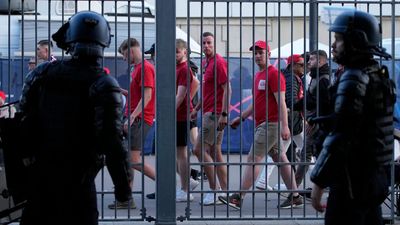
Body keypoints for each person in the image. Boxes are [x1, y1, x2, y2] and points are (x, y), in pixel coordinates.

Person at [18, 11, 132, 225]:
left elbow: (22, 122)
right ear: (104, 41)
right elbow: (112, 142)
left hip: (41, 180)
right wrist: (123, 190)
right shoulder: (105, 84)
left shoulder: (40, 74)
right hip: (79, 185)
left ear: (70, 40)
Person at [311, 10, 395, 225]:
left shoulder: (354, 77)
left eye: (338, 39)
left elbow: (342, 134)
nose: (333, 46)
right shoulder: (377, 73)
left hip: (351, 180)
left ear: (355, 40)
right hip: (372, 178)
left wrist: (319, 182)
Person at [219, 40, 303, 210]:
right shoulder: (259, 75)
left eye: (261, 52)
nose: (257, 56)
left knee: (253, 159)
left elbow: (281, 102)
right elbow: (257, 102)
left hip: (270, 125)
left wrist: (285, 126)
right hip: (264, 124)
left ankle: (238, 197)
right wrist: (241, 117)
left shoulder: (274, 75)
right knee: (281, 159)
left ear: (269, 54)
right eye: (255, 53)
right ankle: (295, 196)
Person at [108, 37, 156, 209]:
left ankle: (165, 185)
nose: (124, 59)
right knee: (129, 159)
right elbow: (138, 94)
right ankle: (126, 198)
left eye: (124, 55)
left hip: (140, 119)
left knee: (133, 160)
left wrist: (133, 116)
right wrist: (121, 91)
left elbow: (148, 96)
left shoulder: (145, 68)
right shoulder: (138, 69)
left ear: (131, 50)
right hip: (136, 117)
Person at [191, 31, 231, 205]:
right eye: (204, 43)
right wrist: (196, 108)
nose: (206, 46)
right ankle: (226, 192)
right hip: (208, 111)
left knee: (199, 150)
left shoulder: (219, 63)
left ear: (214, 44)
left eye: (209, 43)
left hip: (214, 115)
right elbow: (207, 91)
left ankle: (215, 191)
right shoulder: (206, 62)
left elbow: (227, 89)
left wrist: (224, 114)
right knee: (215, 152)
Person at [256, 54, 305, 190]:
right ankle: (264, 181)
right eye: (301, 64)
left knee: (284, 153)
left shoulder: (291, 77)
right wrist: (304, 105)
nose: (303, 67)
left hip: (292, 121)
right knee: (282, 153)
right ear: (292, 65)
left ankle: (264, 181)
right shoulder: (291, 79)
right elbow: (289, 101)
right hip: (291, 122)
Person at [293, 50, 331, 188]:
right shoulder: (316, 77)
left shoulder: (323, 79)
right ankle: (297, 187)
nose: (308, 62)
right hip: (316, 122)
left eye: (312, 59)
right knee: (309, 154)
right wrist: (293, 106)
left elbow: (325, 104)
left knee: (307, 155)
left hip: (318, 123)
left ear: (320, 62)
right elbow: (310, 99)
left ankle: (295, 189)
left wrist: (313, 120)